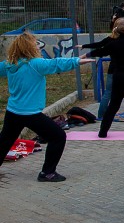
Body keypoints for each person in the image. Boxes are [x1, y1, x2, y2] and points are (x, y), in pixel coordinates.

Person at [0, 32, 93, 182]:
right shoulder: (36, 64)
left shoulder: (10, 64)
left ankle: (47, 172)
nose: (38, 45)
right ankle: (47, 173)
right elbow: (55, 64)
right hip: (30, 114)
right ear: (29, 47)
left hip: (13, 112)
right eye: (35, 43)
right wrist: (76, 61)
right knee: (58, 136)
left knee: (4, 141)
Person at [78, 26, 118, 120]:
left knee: (108, 92)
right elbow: (100, 48)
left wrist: (84, 47)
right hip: (123, 70)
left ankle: (101, 115)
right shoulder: (122, 41)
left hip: (112, 70)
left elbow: (98, 46)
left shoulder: (109, 40)